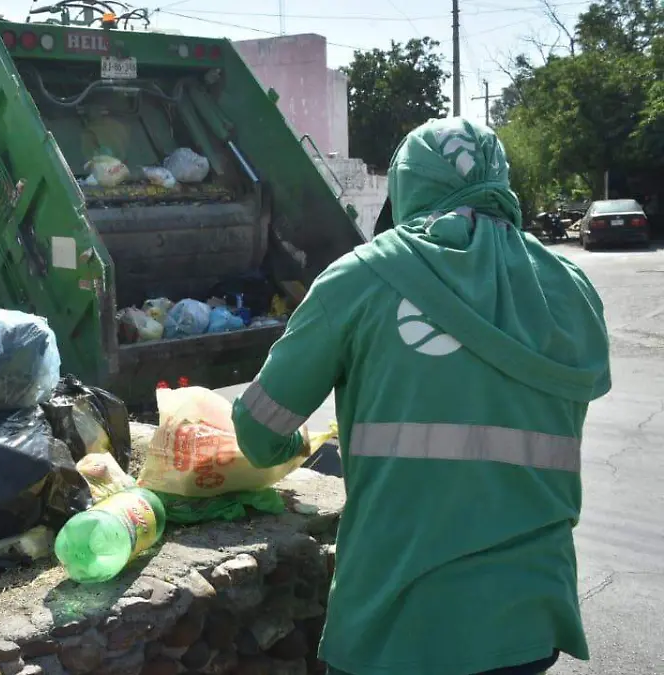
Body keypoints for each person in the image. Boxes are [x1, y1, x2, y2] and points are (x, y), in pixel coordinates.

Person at [232, 118, 611, 675]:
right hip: (527, 615)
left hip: (395, 618)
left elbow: (258, 433)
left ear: (407, 186)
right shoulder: (568, 287)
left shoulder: (361, 277)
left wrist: (298, 443)